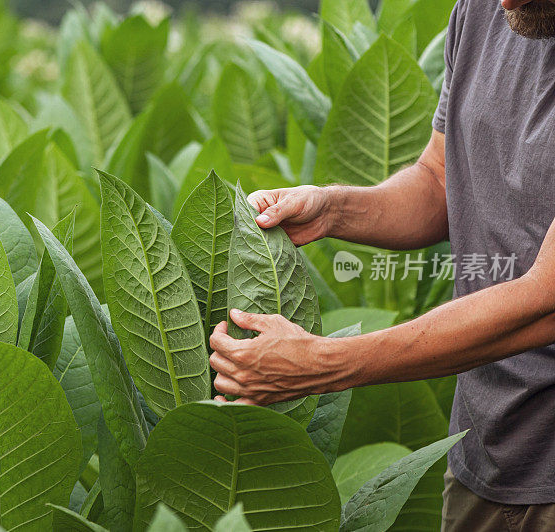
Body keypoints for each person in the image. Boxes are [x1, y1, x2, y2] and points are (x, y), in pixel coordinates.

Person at [209, 0, 555, 529]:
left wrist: (321, 364)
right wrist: (333, 207)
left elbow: (545, 302)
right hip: (484, 456)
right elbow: (441, 179)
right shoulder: (485, 10)